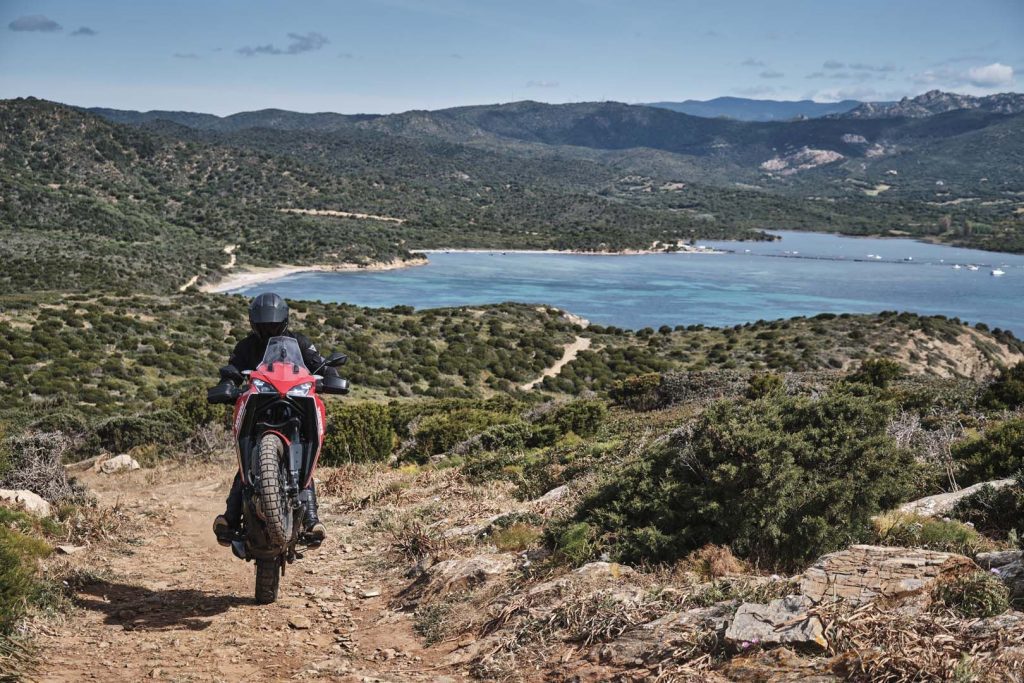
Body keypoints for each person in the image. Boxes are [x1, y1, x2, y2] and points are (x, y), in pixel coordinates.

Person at [212, 292, 334, 548]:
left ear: (284, 321)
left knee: (302, 464)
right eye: (263, 325)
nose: (268, 329)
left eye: (273, 325)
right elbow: (232, 370)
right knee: (247, 465)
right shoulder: (245, 347)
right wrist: (227, 385)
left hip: (293, 409)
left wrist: (331, 376)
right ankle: (231, 518)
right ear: (254, 323)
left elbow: (320, 365)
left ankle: (312, 521)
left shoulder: (299, 343)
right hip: (259, 412)